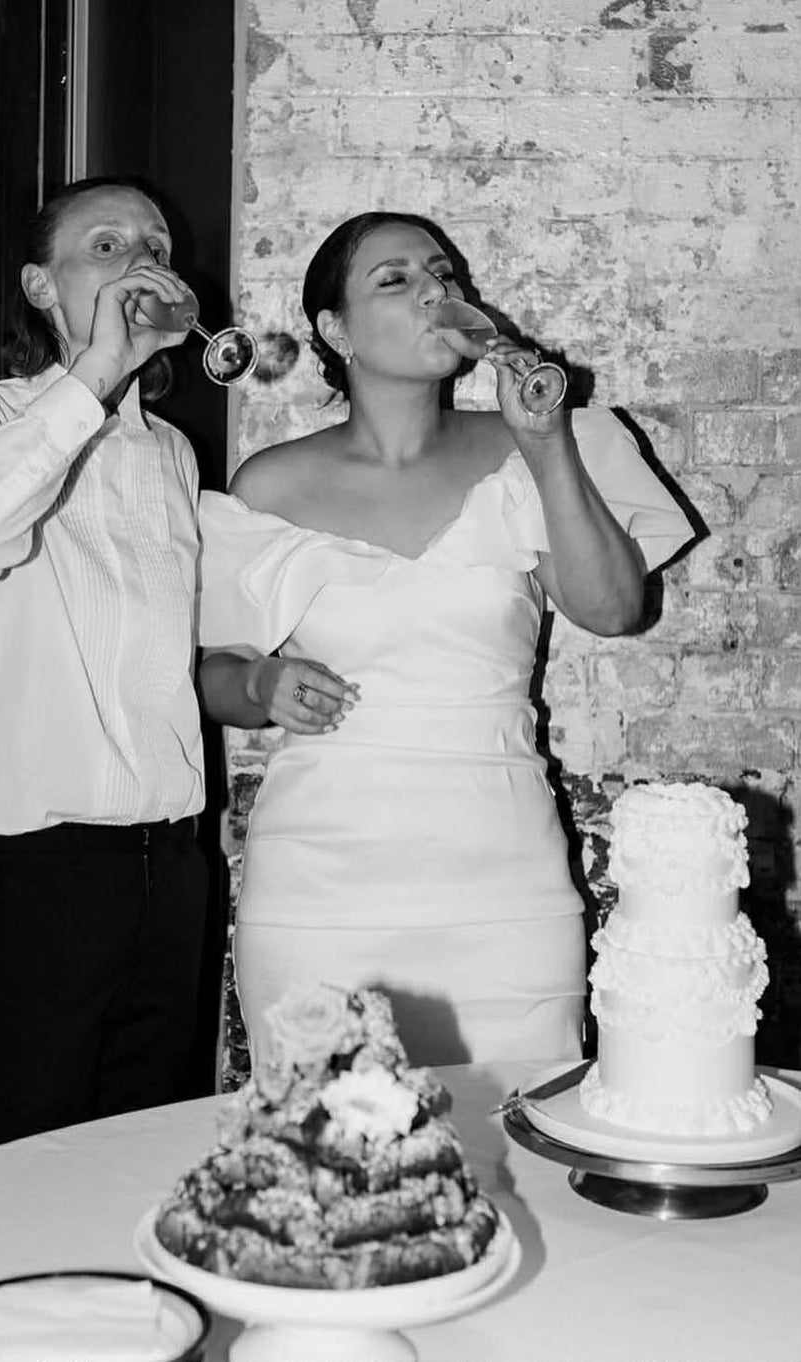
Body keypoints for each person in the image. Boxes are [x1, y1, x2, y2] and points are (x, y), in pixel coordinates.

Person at [198, 211, 694, 1070]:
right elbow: (212, 672)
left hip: (504, 880)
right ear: (336, 330)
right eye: (396, 280)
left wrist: (546, 444)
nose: (434, 292)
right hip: (321, 887)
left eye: (444, 276)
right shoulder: (273, 483)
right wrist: (261, 686)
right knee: (328, 1141)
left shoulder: (534, 447)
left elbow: (614, 609)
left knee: (514, 1129)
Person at [0, 177, 209, 1155]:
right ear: (41, 285)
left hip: (173, 869)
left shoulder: (173, 453)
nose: (141, 260)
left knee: (147, 1169)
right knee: (17, 1174)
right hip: (29, 875)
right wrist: (99, 369)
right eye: (106, 246)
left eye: (154, 245)